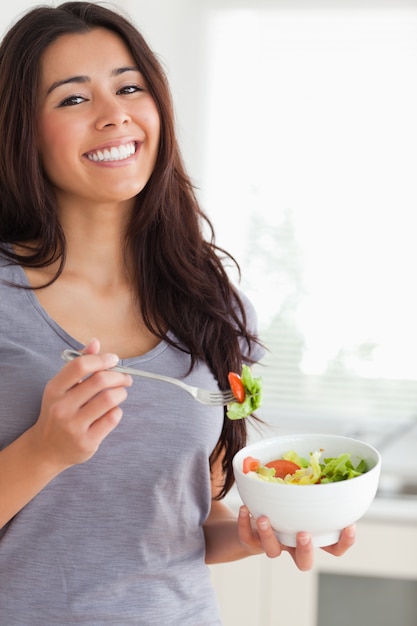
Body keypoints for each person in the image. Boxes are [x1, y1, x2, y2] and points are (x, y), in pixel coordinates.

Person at [0, 2, 356, 624]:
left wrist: (248, 536)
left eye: (129, 87)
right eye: (73, 99)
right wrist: (45, 451)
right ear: (22, 129)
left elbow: (188, 519)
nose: (115, 115)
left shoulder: (209, 305)